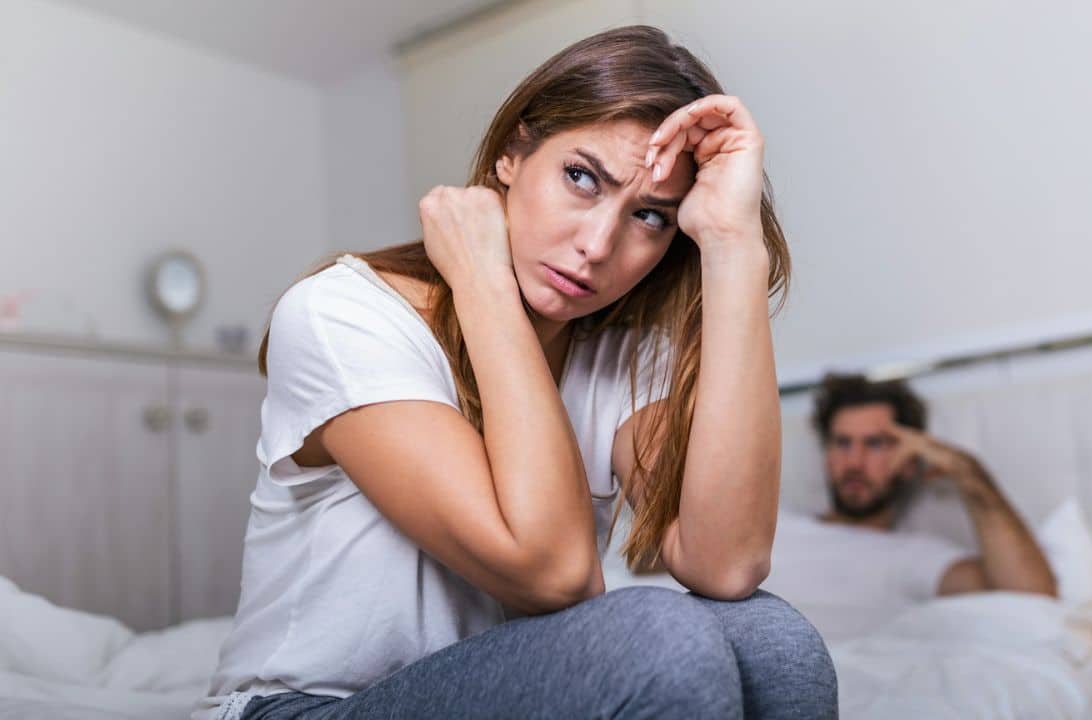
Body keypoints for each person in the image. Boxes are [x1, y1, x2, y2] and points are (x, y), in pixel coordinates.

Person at [193, 25, 836, 720]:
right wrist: (483, 284)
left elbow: (726, 564)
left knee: (774, 642)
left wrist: (735, 243)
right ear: (512, 153)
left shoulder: (619, 353)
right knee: (655, 637)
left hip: (497, 694)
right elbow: (553, 574)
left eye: (649, 216)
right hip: (302, 708)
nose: (596, 246)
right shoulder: (342, 313)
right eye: (581, 178)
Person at [794, 373, 1056, 632]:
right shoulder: (774, 529)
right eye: (842, 443)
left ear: (909, 462)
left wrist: (969, 472)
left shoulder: (914, 557)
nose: (854, 462)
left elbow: (1031, 601)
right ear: (826, 454)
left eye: (875, 443)